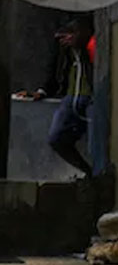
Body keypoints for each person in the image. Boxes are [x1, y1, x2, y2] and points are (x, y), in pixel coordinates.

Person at [14, 16, 96, 176]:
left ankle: (97, 175)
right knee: (56, 137)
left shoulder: (92, 45)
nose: (66, 39)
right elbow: (54, 68)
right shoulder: (65, 50)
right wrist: (42, 91)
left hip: (92, 97)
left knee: (96, 141)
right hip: (71, 96)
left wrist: (84, 42)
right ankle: (89, 173)